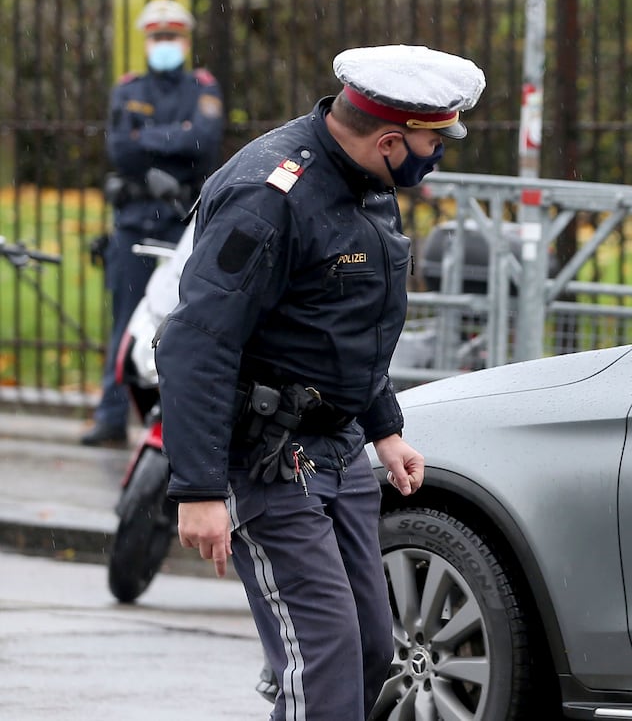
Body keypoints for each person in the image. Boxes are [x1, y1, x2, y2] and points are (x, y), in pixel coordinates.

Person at [155, 44, 485, 720]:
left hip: (340, 453)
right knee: (326, 656)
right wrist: (198, 489)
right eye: (434, 143)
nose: (438, 157)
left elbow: (345, 327)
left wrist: (385, 427)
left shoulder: (370, 183)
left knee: (366, 651)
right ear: (391, 140)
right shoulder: (268, 197)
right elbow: (196, 342)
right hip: (270, 460)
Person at [83, 0, 225, 446]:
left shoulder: (202, 87)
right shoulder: (128, 89)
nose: (165, 45)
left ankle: (175, 420)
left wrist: (149, 139)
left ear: (185, 40)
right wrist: (174, 138)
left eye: (172, 37)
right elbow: (120, 150)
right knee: (124, 317)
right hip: (135, 220)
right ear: (147, 41)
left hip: (183, 220)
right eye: (158, 37)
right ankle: (110, 417)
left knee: (183, 320)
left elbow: (204, 141)